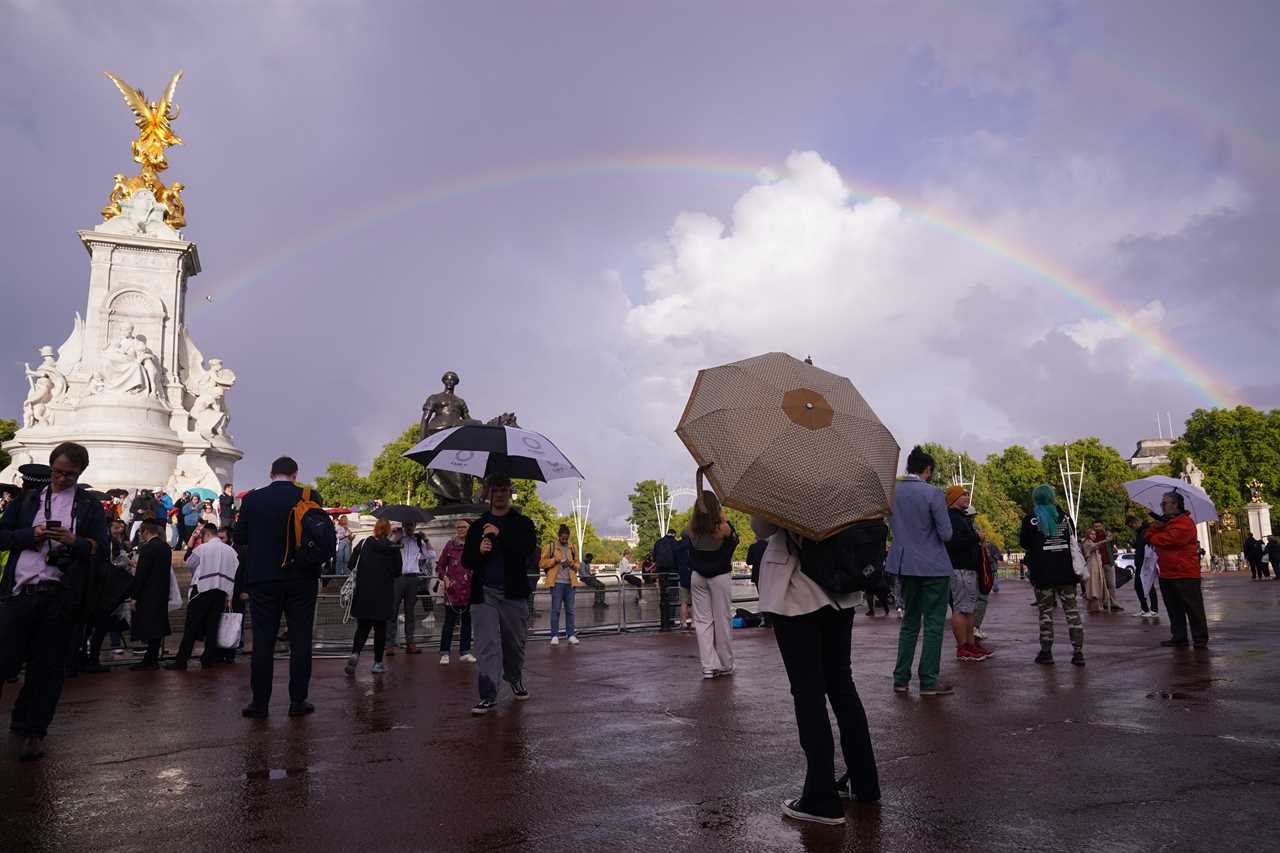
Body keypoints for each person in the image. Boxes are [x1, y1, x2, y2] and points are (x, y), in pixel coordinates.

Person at [753, 517, 879, 826]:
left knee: (808, 693)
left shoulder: (785, 477)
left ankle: (821, 797)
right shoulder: (846, 479)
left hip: (795, 592)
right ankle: (864, 781)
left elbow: (762, 529)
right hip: (839, 589)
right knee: (841, 686)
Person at [0, 443, 109, 761]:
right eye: (58, 472)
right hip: (21, 593)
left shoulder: (89, 507)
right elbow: (2, 536)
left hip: (60, 596)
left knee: (46, 671)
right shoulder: (27, 500)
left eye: (69, 475)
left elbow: (101, 550)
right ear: (50, 468)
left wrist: (75, 542)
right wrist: (31, 535)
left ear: (81, 473)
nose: (62, 479)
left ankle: (33, 731)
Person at [233, 456, 323, 719]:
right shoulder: (309, 496)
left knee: (263, 641)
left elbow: (240, 537)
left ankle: (260, 703)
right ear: (295, 474)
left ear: (271, 473)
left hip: (263, 579)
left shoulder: (252, 499)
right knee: (300, 640)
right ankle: (298, 701)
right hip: (301, 577)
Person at [462, 473, 537, 715]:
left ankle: (513, 677)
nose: (500, 494)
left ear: (510, 492)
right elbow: (467, 561)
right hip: (484, 594)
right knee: (487, 645)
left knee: (514, 646)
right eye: (496, 489)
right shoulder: (477, 526)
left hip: (513, 593)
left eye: (504, 489)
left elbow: (526, 553)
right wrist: (479, 551)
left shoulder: (522, 523)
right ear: (489, 493)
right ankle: (488, 694)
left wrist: (500, 535)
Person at [886, 446, 955, 696]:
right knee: (934, 624)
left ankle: (901, 678)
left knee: (909, 623)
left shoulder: (893, 493)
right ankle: (928, 680)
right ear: (927, 470)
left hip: (905, 564)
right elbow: (946, 533)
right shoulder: (933, 494)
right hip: (933, 566)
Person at [1021, 485, 1085, 666]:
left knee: (1045, 613)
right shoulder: (1065, 517)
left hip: (1043, 574)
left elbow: (1024, 543)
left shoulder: (1031, 519)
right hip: (1066, 572)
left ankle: (1046, 651)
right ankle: (1078, 652)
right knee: (1072, 612)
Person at [687, 464, 739, 679]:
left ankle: (709, 665)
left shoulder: (691, 528)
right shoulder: (723, 528)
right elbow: (735, 540)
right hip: (719, 577)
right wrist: (723, 517)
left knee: (702, 622)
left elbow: (687, 536)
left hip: (697, 576)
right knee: (722, 619)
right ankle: (726, 663)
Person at [166, 522, 237, 671]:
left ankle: (181, 661)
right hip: (221, 591)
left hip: (202, 589)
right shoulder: (230, 551)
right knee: (212, 627)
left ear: (207, 535)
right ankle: (208, 659)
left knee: (191, 626)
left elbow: (190, 563)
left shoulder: (203, 548)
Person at [1145, 491, 1209, 648]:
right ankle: (1179, 636)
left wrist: (1155, 533)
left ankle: (1200, 638)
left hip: (1184, 572)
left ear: (1175, 505)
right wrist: (1156, 528)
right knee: (1174, 609)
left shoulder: (1185, 523)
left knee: (1193, 608)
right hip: (1167, 572)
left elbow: (1169, 540)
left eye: (1164, 503)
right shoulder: (1166, 523)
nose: (1162, 506)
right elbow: (1147, 534)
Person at [344, 519, 402, 675]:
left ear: (375, 529)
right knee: (380, 629)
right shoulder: (393, 548)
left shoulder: (363, 544)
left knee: (362, 627)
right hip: (383, 593)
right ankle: (377, 662)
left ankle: (355, 653)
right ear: (389, 530)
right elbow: (397, 571)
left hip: (364, 592)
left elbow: (351, 564)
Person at [944, 486, 990, 662]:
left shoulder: (960, 517)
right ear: (954, 498)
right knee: (961, 608)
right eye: (963, 494)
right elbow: (954, 543)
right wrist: (976, 538)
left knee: (969, 608)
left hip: (967, 568)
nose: (967, 496)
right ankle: (962, 646)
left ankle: (970, 644)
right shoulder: (953, 518)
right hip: (960, 567)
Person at [84, 519, 133, 670]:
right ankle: (92, 659)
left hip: (94, 590)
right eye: (116, 527)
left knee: (91, 627)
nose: (119, 530)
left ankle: (85, 657)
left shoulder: (95, 541)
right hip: (103, 591)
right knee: (99, 626)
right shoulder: (107, 543)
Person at [128, 519, 172, 670]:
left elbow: (141, 574)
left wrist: (135, 596)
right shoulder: (165, 547)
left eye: (141, 532)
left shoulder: (148, 548)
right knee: (157, 625)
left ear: (146, 531)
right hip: (161, 591)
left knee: (149, 625)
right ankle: (152, 656)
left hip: (147, 592)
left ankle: (150, 659)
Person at [437, 519, 475, 664]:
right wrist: (444, 577)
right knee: (449, 622)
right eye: (458, 527)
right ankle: (445, 652)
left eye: (463, 527)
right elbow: (440, 566)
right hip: (452, 590)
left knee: (467, 622)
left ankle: (465, 651)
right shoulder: (450, 545)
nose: (460, 529)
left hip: (469, 589)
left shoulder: (473, 546)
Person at [387, 521, 427, 655]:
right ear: (404, 525)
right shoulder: (398, 538)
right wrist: (396, 537)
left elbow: (430, 555)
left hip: (413, 577)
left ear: (415, 526)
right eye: (407, 525)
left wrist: (426, 540)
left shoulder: (418, 540)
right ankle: (390, 644)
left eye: (412, 525)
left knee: (410, 612)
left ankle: (410, 643)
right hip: (399, 577)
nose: (409, 527)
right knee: (393, 611)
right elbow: (387, 550)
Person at [541, 524, 581, 645]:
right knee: (555, 610)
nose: (564, 540)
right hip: (557, 583)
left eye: (566, 538)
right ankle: (554, 635)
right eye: (563, 538)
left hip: (570, 583)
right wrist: (554, 560)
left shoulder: (572, 547)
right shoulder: (551, 546)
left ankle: (571, 635)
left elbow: (578, 564)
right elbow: (542, 563)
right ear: (559, 536)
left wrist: (572, 564)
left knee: (570, 610)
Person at [1083, 521, 1122, 613]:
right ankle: (1103, 602)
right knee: (1100, 584)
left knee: (1111, 584)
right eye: (1095, 526)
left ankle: (1113, 602)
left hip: (1108, 562)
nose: (1097, 528)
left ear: (1102, 526)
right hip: (1097, 565)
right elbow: (1092, 547)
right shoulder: (1092, 538)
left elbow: (1113, 546)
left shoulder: (1107, 535)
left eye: (1099, 526)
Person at [1126, 515, 1160, 618]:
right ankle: (1145, 608)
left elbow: (1148, 544)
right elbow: (1140, 545)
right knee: (1142, 585)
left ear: (1135, 522)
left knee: (1147, 585)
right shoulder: (1140, 532)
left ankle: (1153, 610)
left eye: (1132, 526)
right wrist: (1133, 544)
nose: (1132, 528)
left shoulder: (1146, 530)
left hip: (1145, 562)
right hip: (1141, 561)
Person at [973, 540, 1001, 640]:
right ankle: (975, 628)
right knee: (981, 599)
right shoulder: (985, 544)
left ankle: (971, 630)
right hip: (983, 571)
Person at [654, 528, 680, 631]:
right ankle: (671, 620)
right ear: (674, 534)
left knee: (664, 596)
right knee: (673, 596)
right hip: (673, 572)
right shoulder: (676, 543)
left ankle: (664, 621)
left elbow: (654, 557)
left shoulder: (659, 542)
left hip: (661, 573)